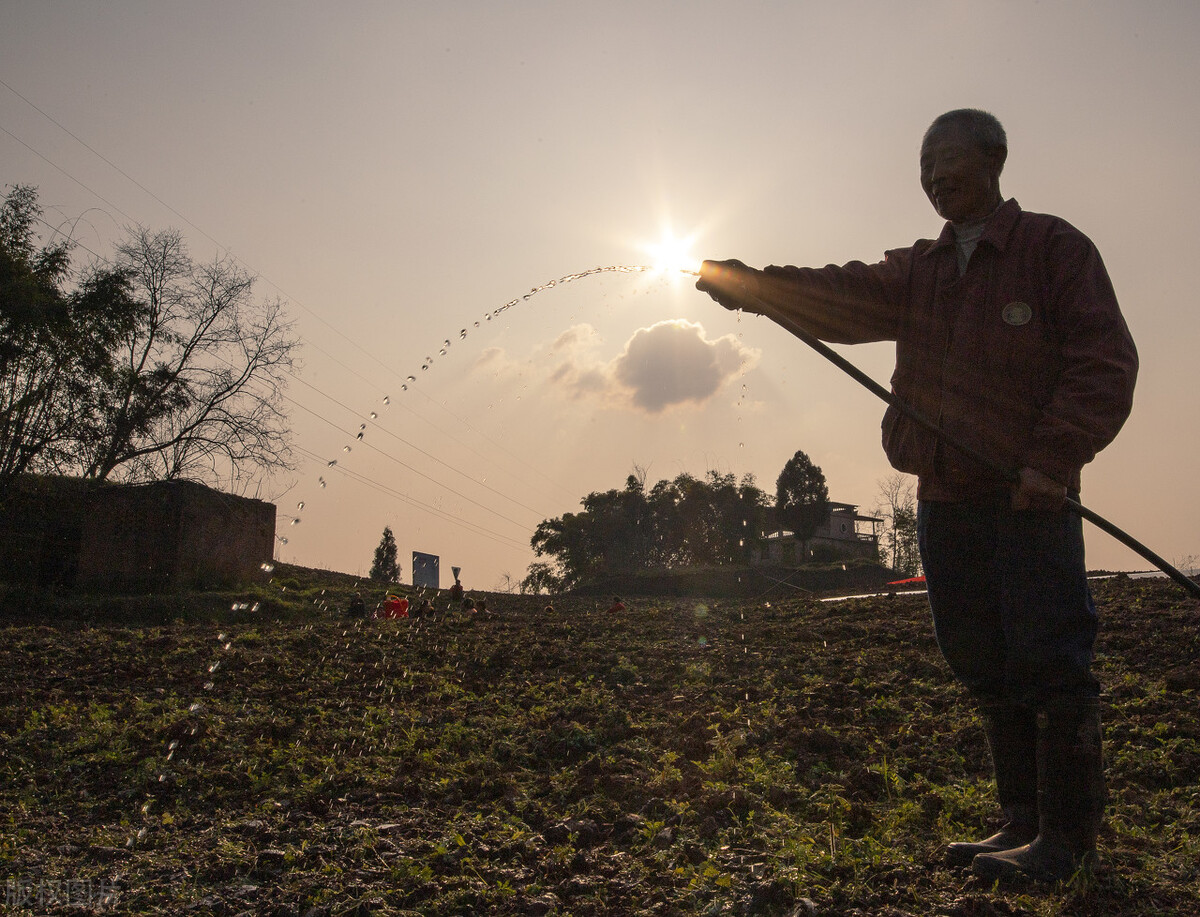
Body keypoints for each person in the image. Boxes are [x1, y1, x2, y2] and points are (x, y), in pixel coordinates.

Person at [696, 109, 1137, 882]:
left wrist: (1052, 459)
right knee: (980, 656)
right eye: (924, 165)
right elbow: (841, 296)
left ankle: (1068, 838)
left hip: (1027, 498)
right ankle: (1022, 819)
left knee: (1049, 658)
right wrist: (753, 286)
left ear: (995, 158)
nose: (934, 176)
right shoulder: (921, 269)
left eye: (947, 158)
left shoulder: (1053, 248)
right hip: (944, 497)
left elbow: (1104, 361)